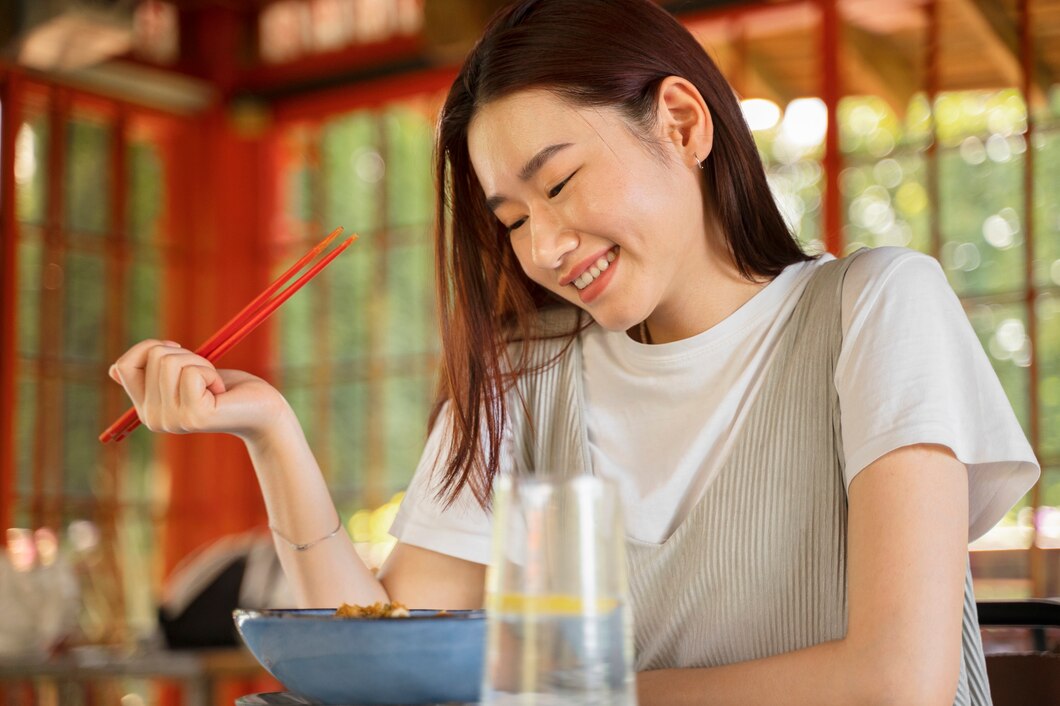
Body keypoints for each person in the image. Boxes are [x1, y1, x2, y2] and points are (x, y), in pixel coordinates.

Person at [109, 0, 1040, 703]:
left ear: (682, 124)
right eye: (512, 219)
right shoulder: (527, 373)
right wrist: (271, 431)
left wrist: (551, 693)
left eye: (558, 183)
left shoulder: (874, 306)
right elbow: (387, 658)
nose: (544, 246)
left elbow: (897, 683)